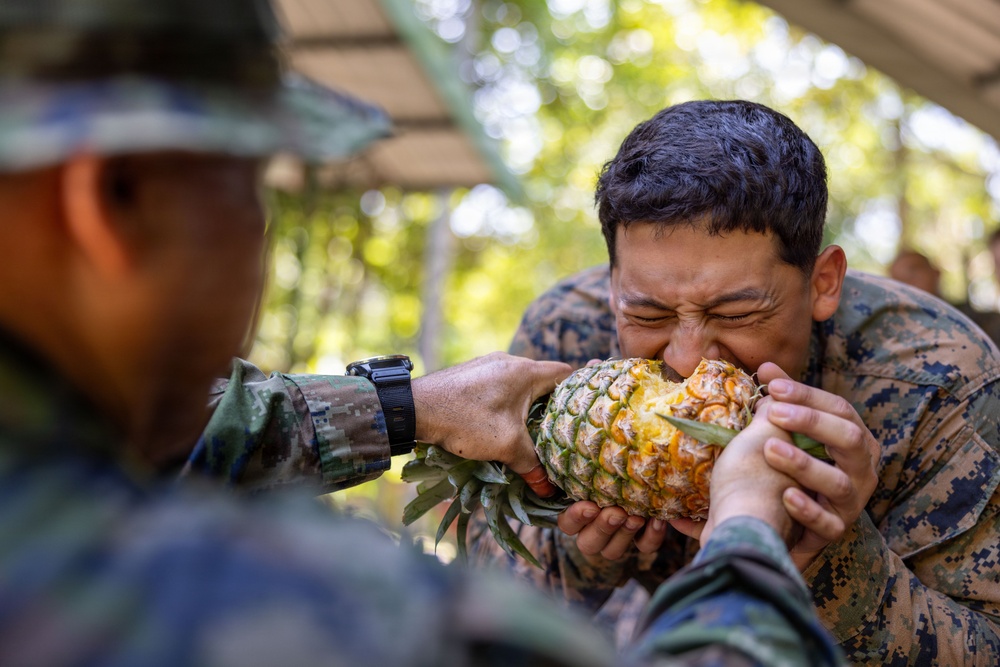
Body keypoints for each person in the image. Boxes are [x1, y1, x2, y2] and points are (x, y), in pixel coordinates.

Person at [0, 2, 843, 665]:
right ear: (107, 203)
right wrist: (747, 533)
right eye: (250, 187)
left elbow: (200, 436)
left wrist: (410, 406)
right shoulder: (297, 604)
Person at [463, 101, 1000, 664]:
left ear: (822, 283)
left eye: (737, 314)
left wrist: (824, 556)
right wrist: (586, 559)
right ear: (612, 284)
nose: (691, 361)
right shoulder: (565, 334)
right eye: (647, 316)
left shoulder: (941, 378)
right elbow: (473, 603)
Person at [888, 248, 1000, 345]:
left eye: (913, 273)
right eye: (899, 282)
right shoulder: (894, 337)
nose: (908, 285)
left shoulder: (984, 323)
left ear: (936, 272)